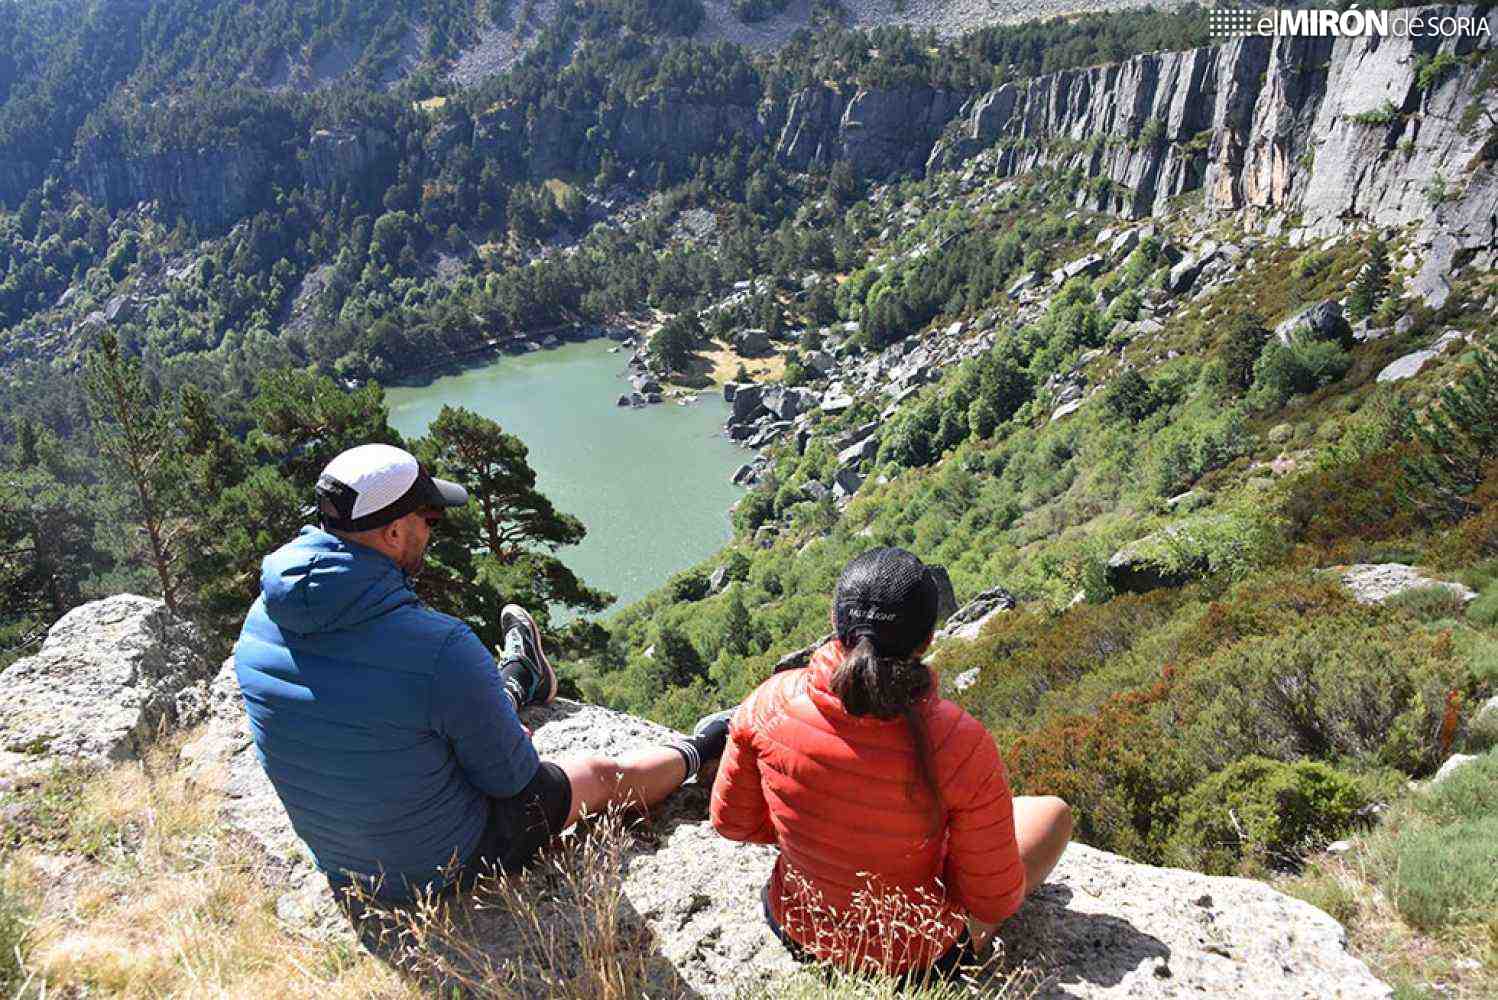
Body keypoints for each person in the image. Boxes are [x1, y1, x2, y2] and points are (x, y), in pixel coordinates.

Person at [233, 443, 732, 906]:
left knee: (448, 710)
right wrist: (510, 737)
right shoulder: (438, 647)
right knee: (593, 776)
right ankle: (700, 750)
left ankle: (520, 677)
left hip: (343, 861)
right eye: (428, 518)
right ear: (391, 533)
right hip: (439, 866)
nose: (432, 530)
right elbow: (514, 781)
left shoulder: (260, 619)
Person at [709, 547, 1072, 979]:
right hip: (917, 965)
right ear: (928, 640)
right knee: (1052, 812)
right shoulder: (960, 742)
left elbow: (732, 821)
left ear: (834, 622)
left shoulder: (769, 703)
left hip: (800, 934)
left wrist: (821, 832)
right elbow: (990, 899)